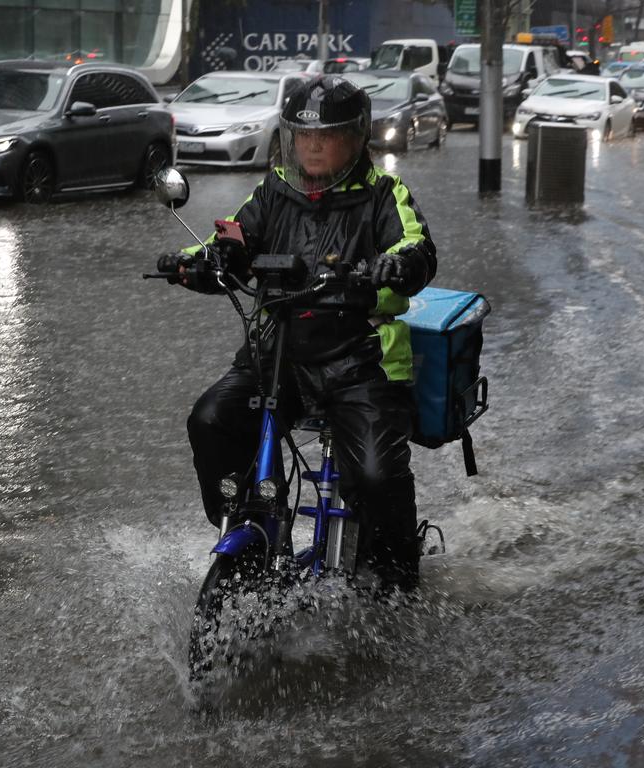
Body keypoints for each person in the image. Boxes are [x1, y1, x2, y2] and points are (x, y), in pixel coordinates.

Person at [157, 75, 437, 593]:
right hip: (278, 355)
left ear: (355, 138)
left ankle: (398, 581)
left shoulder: (383, 195)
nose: (312, 145)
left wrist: (396, 265)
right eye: (303, 136)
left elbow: (415, 245)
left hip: (360, 360)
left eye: (325, 135)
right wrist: (198, 262)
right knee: (211, 419)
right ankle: (258, 529)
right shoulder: (272, 193)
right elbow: (231, 241)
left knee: (376, 479)